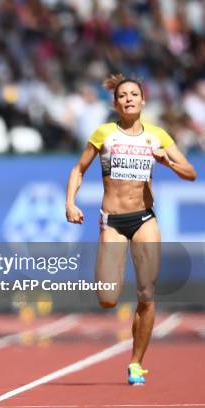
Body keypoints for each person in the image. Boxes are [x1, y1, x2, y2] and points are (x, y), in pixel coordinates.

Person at [66, 74, 196, 385]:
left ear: (143, 100)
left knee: (147, 295)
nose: (128, 99)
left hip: (144, 220)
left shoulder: (157, 135)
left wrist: (167, 164)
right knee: (107, 298)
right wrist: (70, 202)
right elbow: (78, 169)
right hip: (112, 221)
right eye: (122, 95)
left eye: (134, 94)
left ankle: (136, 363)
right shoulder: (104, 134)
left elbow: (190, 172)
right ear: (115, 103)